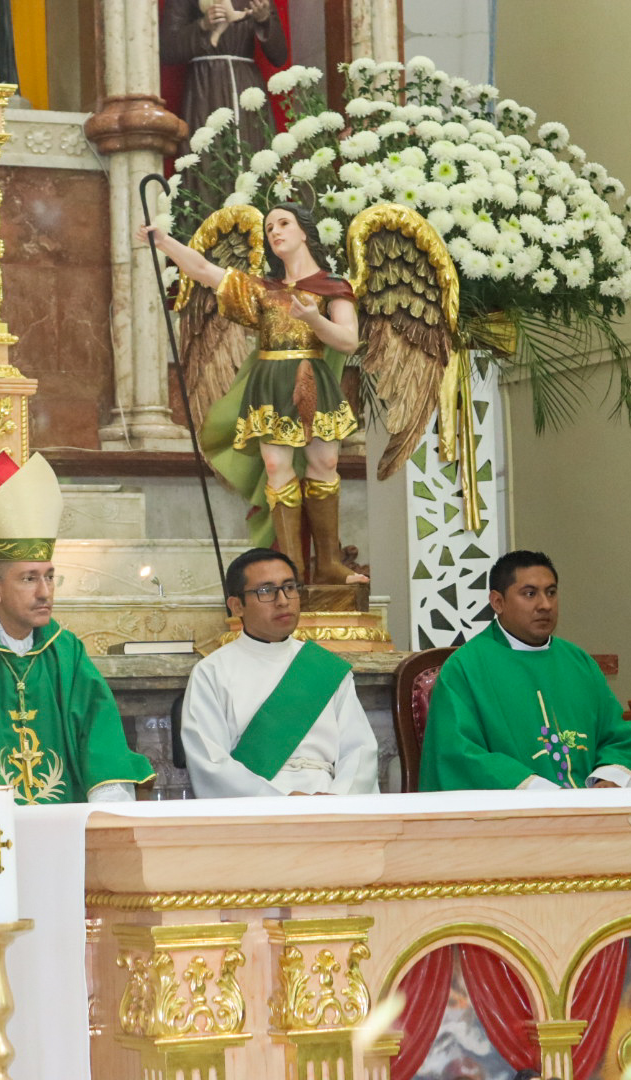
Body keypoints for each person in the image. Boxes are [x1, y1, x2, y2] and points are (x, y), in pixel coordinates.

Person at [0, 451, 155, 809]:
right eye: (28, 579)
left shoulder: (65, 650)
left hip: (65, 825)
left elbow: (101, 736)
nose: (45, 592)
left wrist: (104, 813)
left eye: (49, 577)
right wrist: (0, 822)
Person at [139, 205, 361, 583]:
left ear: (305, 231)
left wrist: (312, 319)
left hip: (312, 377)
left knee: (324, 465)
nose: (275, 231)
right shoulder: (263, 289)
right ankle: (290, 568)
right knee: (276, 467)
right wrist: (163, 241)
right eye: (269, 227)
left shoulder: (332, 286)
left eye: (284, 223)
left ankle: (328, 563)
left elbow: (349, 341)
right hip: (270, 380)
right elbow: (204, 271)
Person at [420, 550, 631, 791]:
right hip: (515, 819)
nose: (545, 605)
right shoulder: (465, 669)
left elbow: (618, 738)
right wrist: (540, 792)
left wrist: (608, 779)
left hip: (589, 812)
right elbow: (458, 754)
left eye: (551, 592)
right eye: (530, 594)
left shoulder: (579, 663)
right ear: (498, 602)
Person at [182, 547, 379, 796]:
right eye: (266, 591)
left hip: (328, 801)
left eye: (290, 587)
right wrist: (280, 800)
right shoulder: (212, 672)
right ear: (236, 606)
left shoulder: (324, 667)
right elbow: (209, 761)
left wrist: (336, 800)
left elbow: (360, 750)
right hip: (256, 807)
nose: (283, 600)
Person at [160, 0, 287, 155]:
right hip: (206, 87)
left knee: (253, 156)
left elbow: (279, 56)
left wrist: (264, 20)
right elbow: (168, 49)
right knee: (210, 156)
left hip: (246, 86)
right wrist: (203, 26)